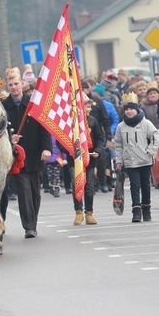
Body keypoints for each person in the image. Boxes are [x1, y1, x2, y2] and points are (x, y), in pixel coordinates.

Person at [1, 67, 52, 238]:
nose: (14, 87)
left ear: (22, 84)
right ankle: (29, 226)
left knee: (35, 191)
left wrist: (47, 148)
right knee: (24, 191)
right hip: (17, 157)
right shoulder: (3, 108)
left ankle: (33, 221)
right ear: (8, 86)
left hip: (36, 153)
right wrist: (9, 138)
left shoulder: (33, 104)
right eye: (11, 84)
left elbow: (44, 128)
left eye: (16, 84)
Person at [114, 94, 159, 223]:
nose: (129, 111)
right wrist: (119, 160)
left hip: (145, 160)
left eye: (131, 109)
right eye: (126, 109)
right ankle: (136, 211)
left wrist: (150, 152)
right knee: (135, 185)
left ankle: (147, 209)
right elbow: (118, 144)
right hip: (130, 161)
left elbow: (156, 137)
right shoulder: (121, 127)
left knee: (145, 185)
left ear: (137, 109)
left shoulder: (146, 123)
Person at [72, 95, 102, 225]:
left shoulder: (93, 121)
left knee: (89, 186)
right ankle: (78, 212)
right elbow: (63, 141)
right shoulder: (71, 123)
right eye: (87, 106)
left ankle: (89, 213)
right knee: (76, 185)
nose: (89, 109)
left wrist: (98, 151)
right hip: (75, 159)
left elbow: (100, 139)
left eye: (90, 106)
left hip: (90, 158)